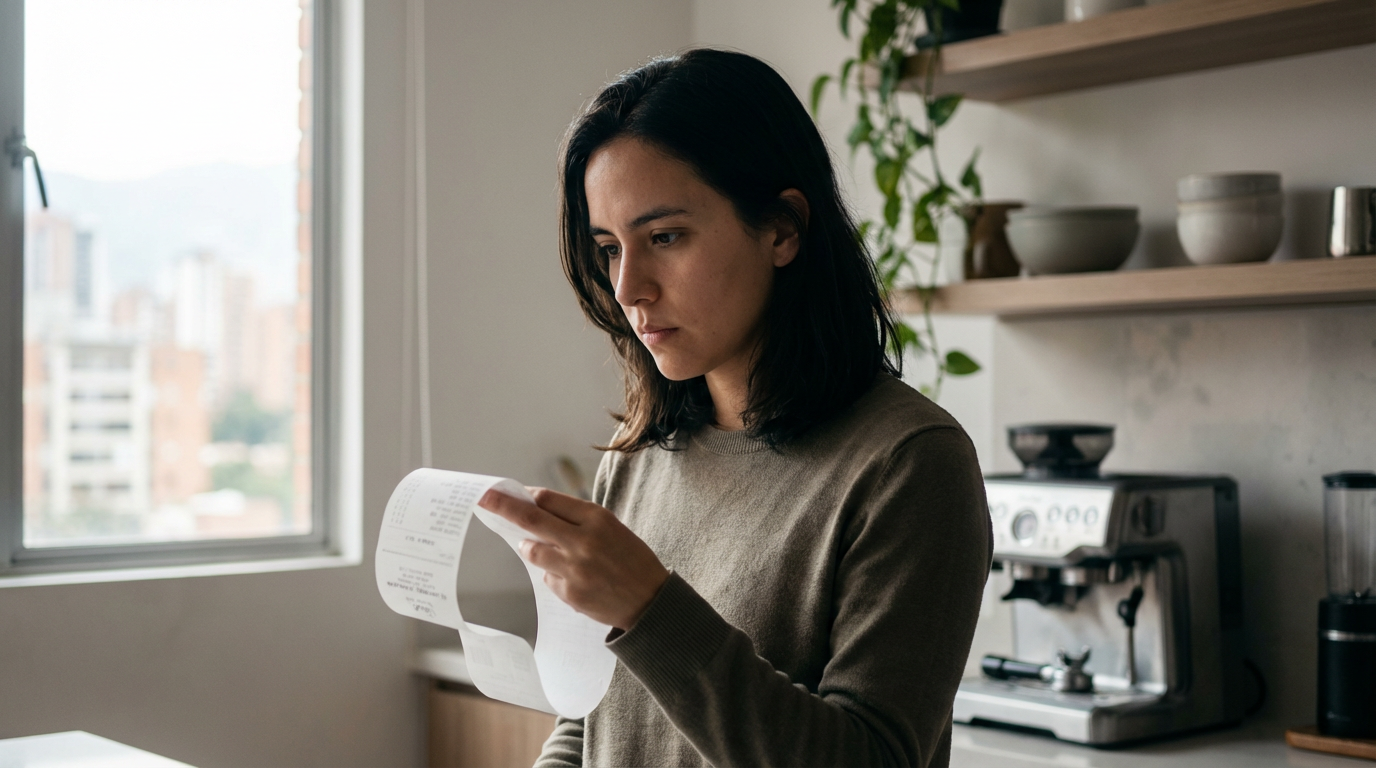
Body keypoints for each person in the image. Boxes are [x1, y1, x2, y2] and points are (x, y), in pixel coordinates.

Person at [478, 48, 992, 768]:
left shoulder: (908, 461)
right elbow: (596, 719)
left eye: (664, 237)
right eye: (608, 249)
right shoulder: (640, 456)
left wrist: (651, 610)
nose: (629, 287)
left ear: (782, 229)